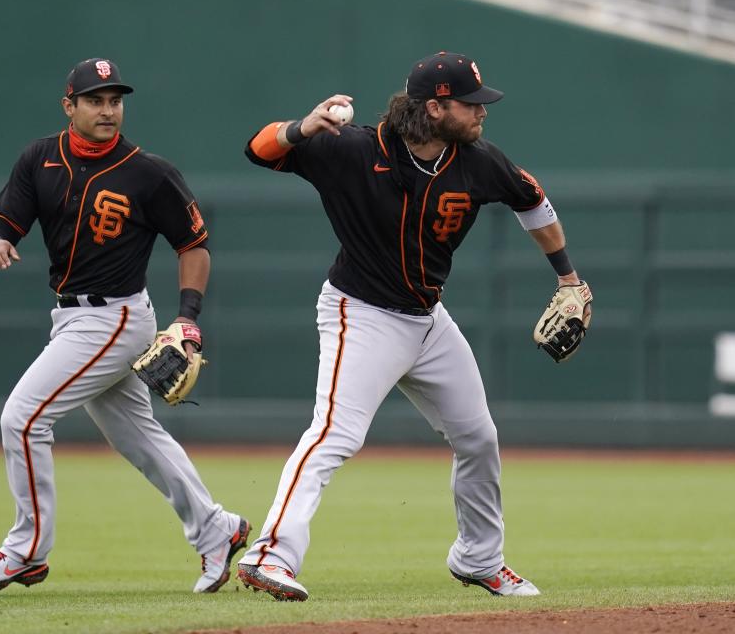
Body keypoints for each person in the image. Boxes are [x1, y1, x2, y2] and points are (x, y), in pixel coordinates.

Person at [235, 52, 591, 601]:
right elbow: (258, 150)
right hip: (362, 313)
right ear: (434, 108)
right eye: (469, 104)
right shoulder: (351, 148)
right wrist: (300, 127)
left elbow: (534, 202)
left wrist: (569, 279)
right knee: (334, 434)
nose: (481, 113)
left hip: (428, 321)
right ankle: (270, 555)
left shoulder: (478, 161)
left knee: (477, 438)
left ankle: (479, 558)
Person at [0, 58, 249, 594]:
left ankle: (26, 551)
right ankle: (218, 529)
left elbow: (194, 245)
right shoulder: (40, 158)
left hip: (114, 318)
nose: (108, 110)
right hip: (72, 316)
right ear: (70, 106)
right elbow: (6, 217)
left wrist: (187, 319)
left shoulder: (149, 172)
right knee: (137, 436)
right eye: (95, 100)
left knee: (22, 420)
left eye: (115, 100)